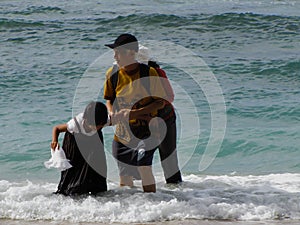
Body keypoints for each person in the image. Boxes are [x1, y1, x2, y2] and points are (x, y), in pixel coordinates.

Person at [104, 33, 167, 193]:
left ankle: (152, 204)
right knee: (124, 174)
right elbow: (109, 99)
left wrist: (134, 113)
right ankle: (132, 208)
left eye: (118, 52)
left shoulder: (149, 73)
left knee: (144, 167)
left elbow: (160, 102)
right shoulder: (112, 74)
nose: (115, 55)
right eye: (114, 52)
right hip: (122, 133)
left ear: (131, 53)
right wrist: (111, 113)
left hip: (148, 131)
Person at [137, 46, 183, 184]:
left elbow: (169, 97)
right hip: (141, 119)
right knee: (138, 159)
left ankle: (177, 193)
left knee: (168, 158)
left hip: (164, 118)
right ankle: (137, 196)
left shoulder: (157, 73)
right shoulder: (124, 74)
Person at [51, 101, 108, 196]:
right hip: (74, 141)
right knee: (73, 168)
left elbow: (120, 117)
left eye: (101, 126)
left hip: (93, 142)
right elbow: (57, 128)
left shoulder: (103, 119)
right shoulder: (74, 124)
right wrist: (55, 141)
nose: (100, 127)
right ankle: (69, 193)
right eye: (98, 126)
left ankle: (97, 192)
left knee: (97, 166)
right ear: (87, 120)